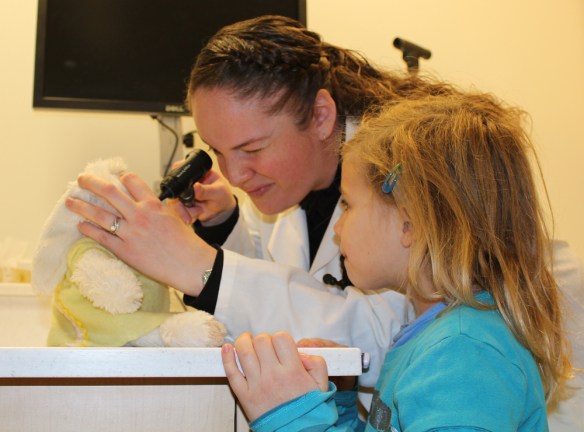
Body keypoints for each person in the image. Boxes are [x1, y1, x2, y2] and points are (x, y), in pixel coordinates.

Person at [65, 15, 455, 389]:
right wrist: (224, 227)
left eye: (251, 148)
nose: (234, 175)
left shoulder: (405, 183)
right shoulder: (298, 184)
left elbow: (390, 335)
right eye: (217, 151)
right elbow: (292, 280)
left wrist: (201, 268)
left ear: (321, 116)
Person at [221, 91, 574, 431]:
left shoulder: (461, 355)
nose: (338, 229)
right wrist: (339, 404)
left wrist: (294, 419)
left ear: (409, 223)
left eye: (348, 205)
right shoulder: (438, 338)